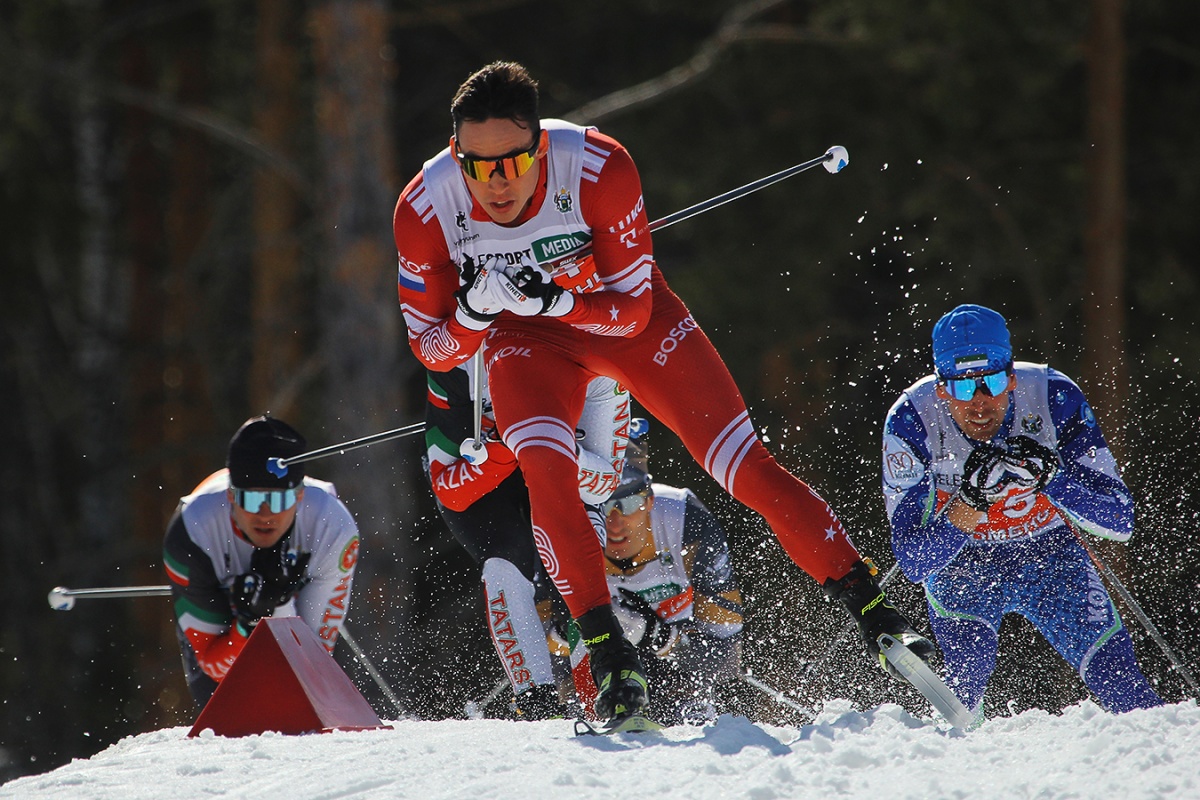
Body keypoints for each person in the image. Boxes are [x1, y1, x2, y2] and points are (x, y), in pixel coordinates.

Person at [394, 60, 931, 720]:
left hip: (616, 321)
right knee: (547, 476)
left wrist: (559, 298)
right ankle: (610, 656)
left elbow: (633, 311)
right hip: (526, 346)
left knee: (743, 466)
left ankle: (873, 611)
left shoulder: (597, 167)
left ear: (539, 144)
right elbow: (430, 346)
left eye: (513, 161)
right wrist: (475, 312)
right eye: (478, 166)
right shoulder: (425, 207)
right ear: (456, 155)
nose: (497, 182)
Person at [881, 304, 1163, 721]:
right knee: (960, 699)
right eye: (962, 388)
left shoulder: (1053, 394)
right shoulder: (912, 419)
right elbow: (914, 562)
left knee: (1122, 685)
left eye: (992, 382)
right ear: (941, 390)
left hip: (1051, 553)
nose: (979, 404)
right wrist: (971, 503)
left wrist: (1053, 479)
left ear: (1011, 377)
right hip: (964, 565)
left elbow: (1120, 522)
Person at [423, 363, 630, 719]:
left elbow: (603, 484)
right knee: (505, 555)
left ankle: (603, 693)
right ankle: (535, 702)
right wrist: (508, 445)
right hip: (486, 479)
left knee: (574, 559)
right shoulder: (461, 360)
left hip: (560, 471)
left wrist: (552, 447)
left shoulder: (597, 365)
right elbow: (451, 490)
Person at [551, 422, 746, 725]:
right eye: (601, 505)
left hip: (678, 675)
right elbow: (542, 652)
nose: (615, 523)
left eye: (627, 503)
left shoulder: (686, 522)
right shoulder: (563, 531)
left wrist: (661, 637)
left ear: (649, 500)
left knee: (694, 707)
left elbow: (724, 657)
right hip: (595, 668)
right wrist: (576, 629)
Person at [163, 416, 361, 708]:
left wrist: (277, 606)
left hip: (300, 596)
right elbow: (213, 664)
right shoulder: (191, 531)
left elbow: (312, 664)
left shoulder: (332, 527)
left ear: (300, 495)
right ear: (231, 496)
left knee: (304, 699)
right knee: (222, 706)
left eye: (280, 501)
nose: (266, 515)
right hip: (222, 610)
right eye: (253, 501)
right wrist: (247, 625)